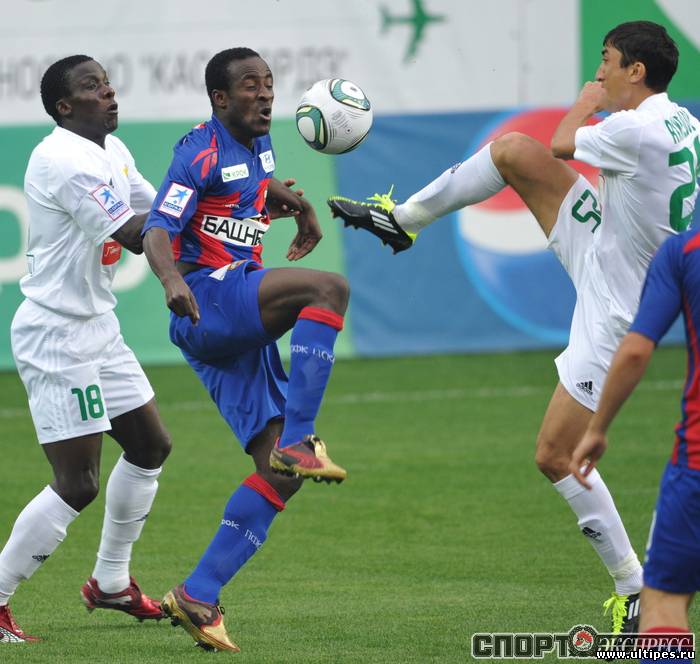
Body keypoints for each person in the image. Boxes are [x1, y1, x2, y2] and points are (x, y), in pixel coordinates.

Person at [328, 20, 699, 633]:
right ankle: (404, 220)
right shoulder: (679, 119)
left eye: (607, 60)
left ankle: (632, 586)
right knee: (513, 151)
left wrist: (586, 101)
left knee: (554, 454)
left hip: (618, 306)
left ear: (636, 71)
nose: (599, 71)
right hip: (608, 246)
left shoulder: (635, 127)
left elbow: (564, 142)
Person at [142, 47, 349, 652]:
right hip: (208, 301)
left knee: (278, 478)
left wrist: (296, 202)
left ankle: (197, 594)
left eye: (269, 84)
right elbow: (157, 227)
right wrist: (172, 280)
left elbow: (253, 184)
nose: (265, 95)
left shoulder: (260, 145)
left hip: (233, 315)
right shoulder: (197, 152)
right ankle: (301, 439)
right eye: (251, 86)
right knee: (328, 289)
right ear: (220, 98)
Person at [0, 56, 172, 644]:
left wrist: (240, 201)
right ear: (64, 107)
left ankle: (111, 582)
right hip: (56, 334)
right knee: (77, 483)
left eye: (107, 82)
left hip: (99, 326)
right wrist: (209, 204)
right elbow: (136, 233)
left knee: (150, 446)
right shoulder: (63, 160)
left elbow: (165, 207)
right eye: (92, 87)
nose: (109, 91)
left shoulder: (110, 150)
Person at [570, 228, 698, 660]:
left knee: (663, 605)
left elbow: (636, 351)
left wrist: (597, 428)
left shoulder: (682, 252)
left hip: (696, 464)